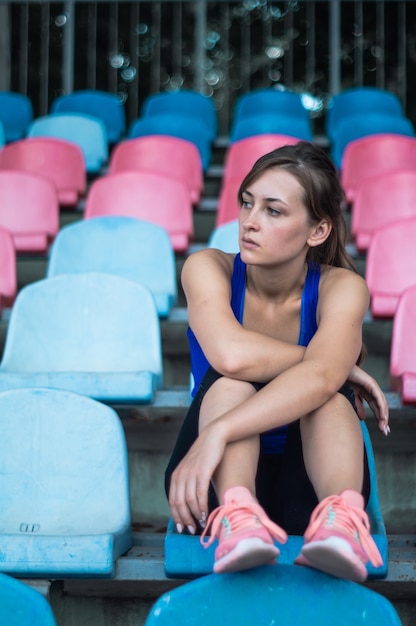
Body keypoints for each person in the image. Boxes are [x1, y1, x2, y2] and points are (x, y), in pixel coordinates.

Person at [165, 141, 390, 583]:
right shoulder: (206, 267)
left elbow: (323, 379)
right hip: (214, 483)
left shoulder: (341, 287)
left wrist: (219, 431)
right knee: (231, 381)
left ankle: (340, 521)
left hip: (306, 481)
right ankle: (239, 516)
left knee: (326, 396)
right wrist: (336, 366)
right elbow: (231, 354)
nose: (249, 222)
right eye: (247, 203)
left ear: (317, 231)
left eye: (273, 211)